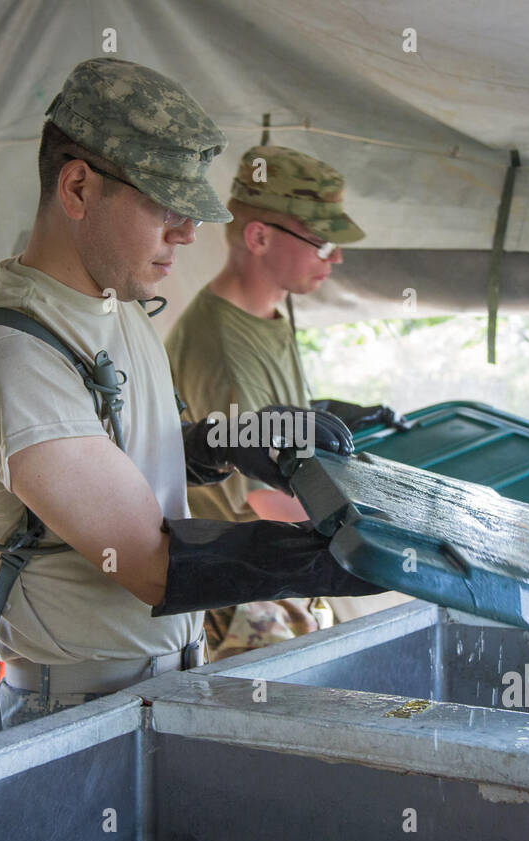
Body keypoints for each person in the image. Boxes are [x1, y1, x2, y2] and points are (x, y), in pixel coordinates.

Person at [0, 59, 380, 728]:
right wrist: (356, 559)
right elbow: (152, 561)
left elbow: (139, 454)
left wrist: (233, 440)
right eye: (164, 204)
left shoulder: (116, 308)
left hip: (160, 677)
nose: (188, 231)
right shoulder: (13, 358)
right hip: (78, 709)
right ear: (78, 186)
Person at [164, 145, 405, 658]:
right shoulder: (223, 347)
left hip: (277, 581)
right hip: (246, 603)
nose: (335, 256)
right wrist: (396, 515)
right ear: (259, 236)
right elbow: (261, 495)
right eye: (321, 242)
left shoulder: (265, 316)